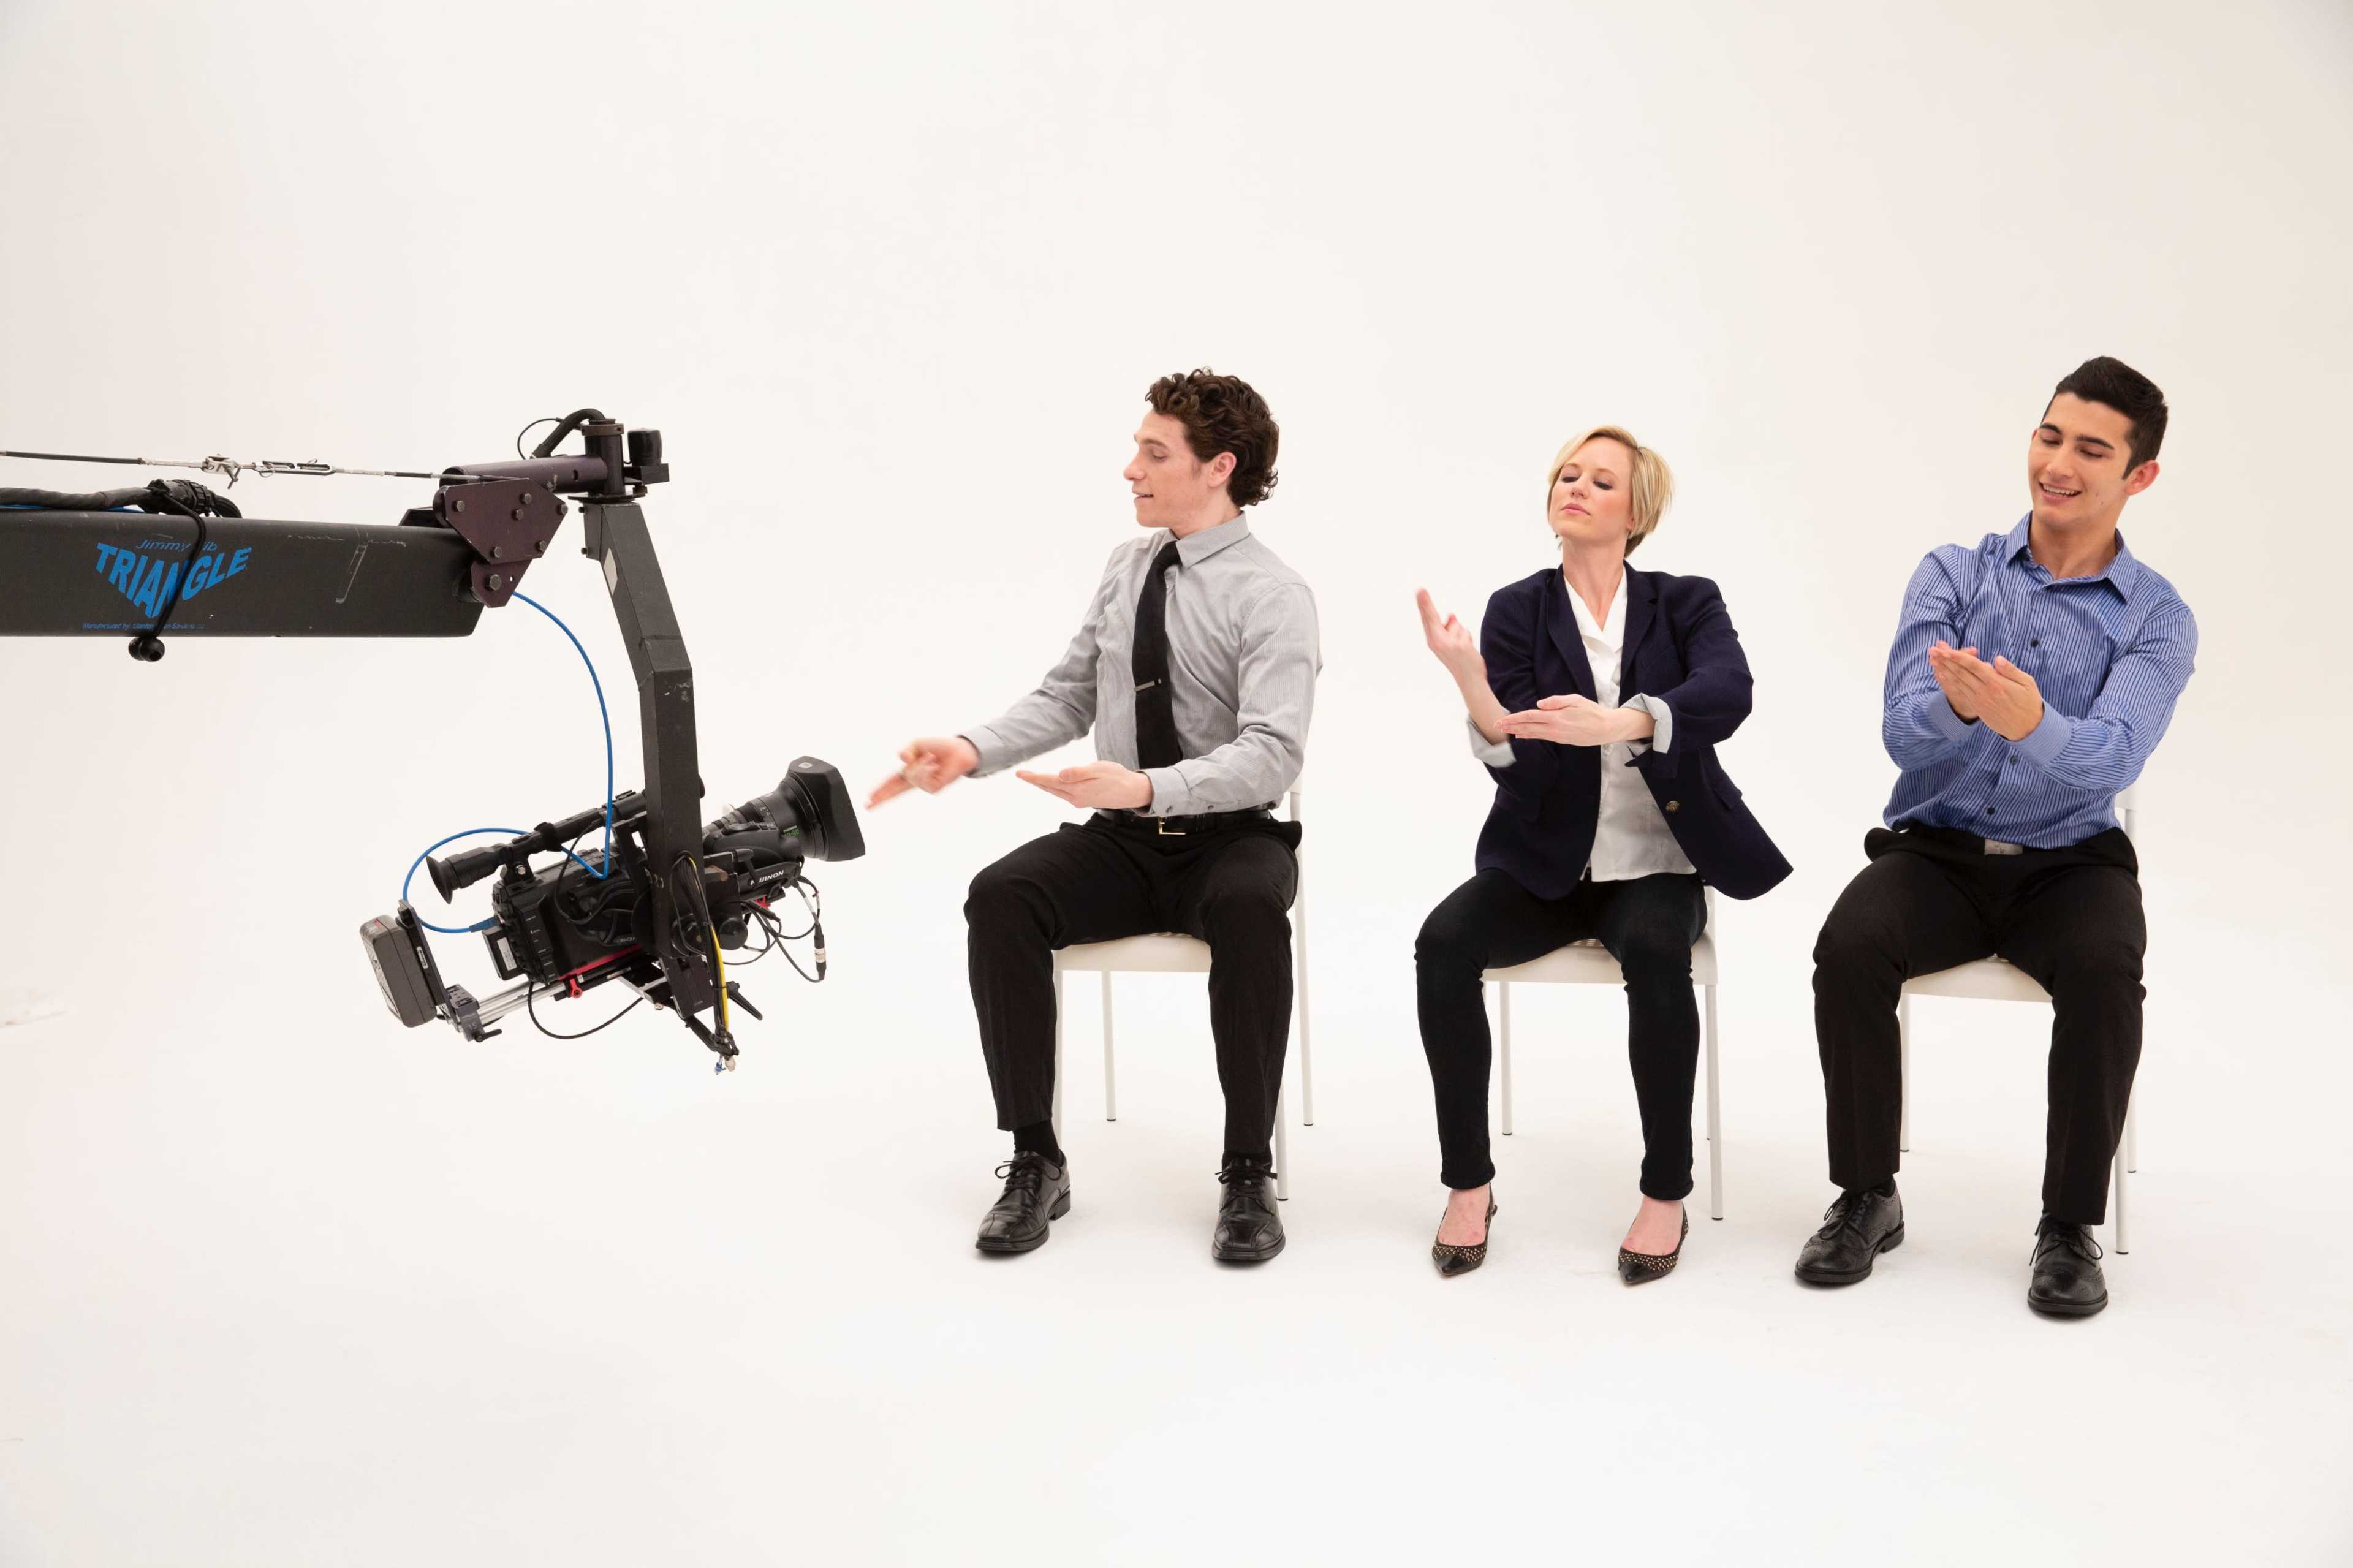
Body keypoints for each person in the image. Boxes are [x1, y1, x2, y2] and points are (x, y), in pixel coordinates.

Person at [869, 369, 1319, 1264]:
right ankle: (1036, 1158)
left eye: (1155, 454)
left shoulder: (1274, 596)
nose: (1131, 470)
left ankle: (1246, 1170)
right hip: (1122, 842)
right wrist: (970, 751)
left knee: (1248, 911)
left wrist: (1150, 788)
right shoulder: (1129, 566)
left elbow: (1275, 752)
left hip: (1229, 839)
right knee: (1003, 894)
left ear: (1218, 467)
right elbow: (1069, 693)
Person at [1796, 357, 2196, 1317]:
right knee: (1849, 946)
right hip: (1937, 851)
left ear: (2138, 477)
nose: (2059, 464)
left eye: (2091, 449)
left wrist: (2028, 720)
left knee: (2106, 971)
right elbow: (1900, 729)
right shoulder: (1954, 572)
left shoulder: (2158, 619)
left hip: (2071, 864)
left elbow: (2109, 759)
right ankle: (1866, 1196)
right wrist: (1968, 713)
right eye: (2049, 436)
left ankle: (2068, 1229)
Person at [1412, 425, 1789, 1281]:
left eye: (1600, 481)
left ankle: (1665, 1194)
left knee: (1659, 952)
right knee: (1442, 945)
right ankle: (1468, 1185)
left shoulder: (1686, 600)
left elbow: (1728, 694)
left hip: (1656, 864)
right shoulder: (1520, 606)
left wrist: (1623, 721)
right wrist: (1469, 681)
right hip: (1544, 865)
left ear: (1637, 511)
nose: (1575, 488)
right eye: (1566, 475)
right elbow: (1519, 747)